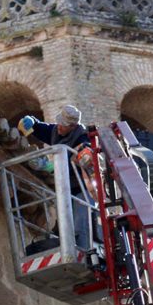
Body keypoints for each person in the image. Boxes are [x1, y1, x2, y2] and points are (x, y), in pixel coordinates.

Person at [18, 105, 97, 249]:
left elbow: (81, 155)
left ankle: (85, 253)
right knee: (64, 226)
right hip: (65, 189)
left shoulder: (83, 137)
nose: (59, 127)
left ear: (73, 126)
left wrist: (50, 166)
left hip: (82, 189)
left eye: (63, 125)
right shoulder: (56, 131)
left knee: (81, 224)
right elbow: (41, 128)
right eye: (59, 122)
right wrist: (32, 121)